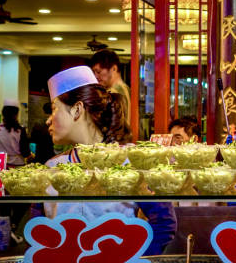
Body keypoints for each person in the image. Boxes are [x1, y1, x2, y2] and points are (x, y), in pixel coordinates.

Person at [44, 66, 175, 254]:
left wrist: (132, 258)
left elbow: (163, 224)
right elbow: (39, 230)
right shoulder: (52, 167)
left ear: (77, 110)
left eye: (54, 109)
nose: (49, 120)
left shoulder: (133, 161)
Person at [90, 49, 130, 126]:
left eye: (98, 72)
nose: (95, 76)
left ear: (114, 69)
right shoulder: (126, 89)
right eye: (94, 72)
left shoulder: (113, 93)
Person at [0, 99, 30, 167]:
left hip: (0, 165)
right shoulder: (20, 130)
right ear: (16, 114)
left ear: (3, 113)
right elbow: (25, 152)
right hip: (18, 166)